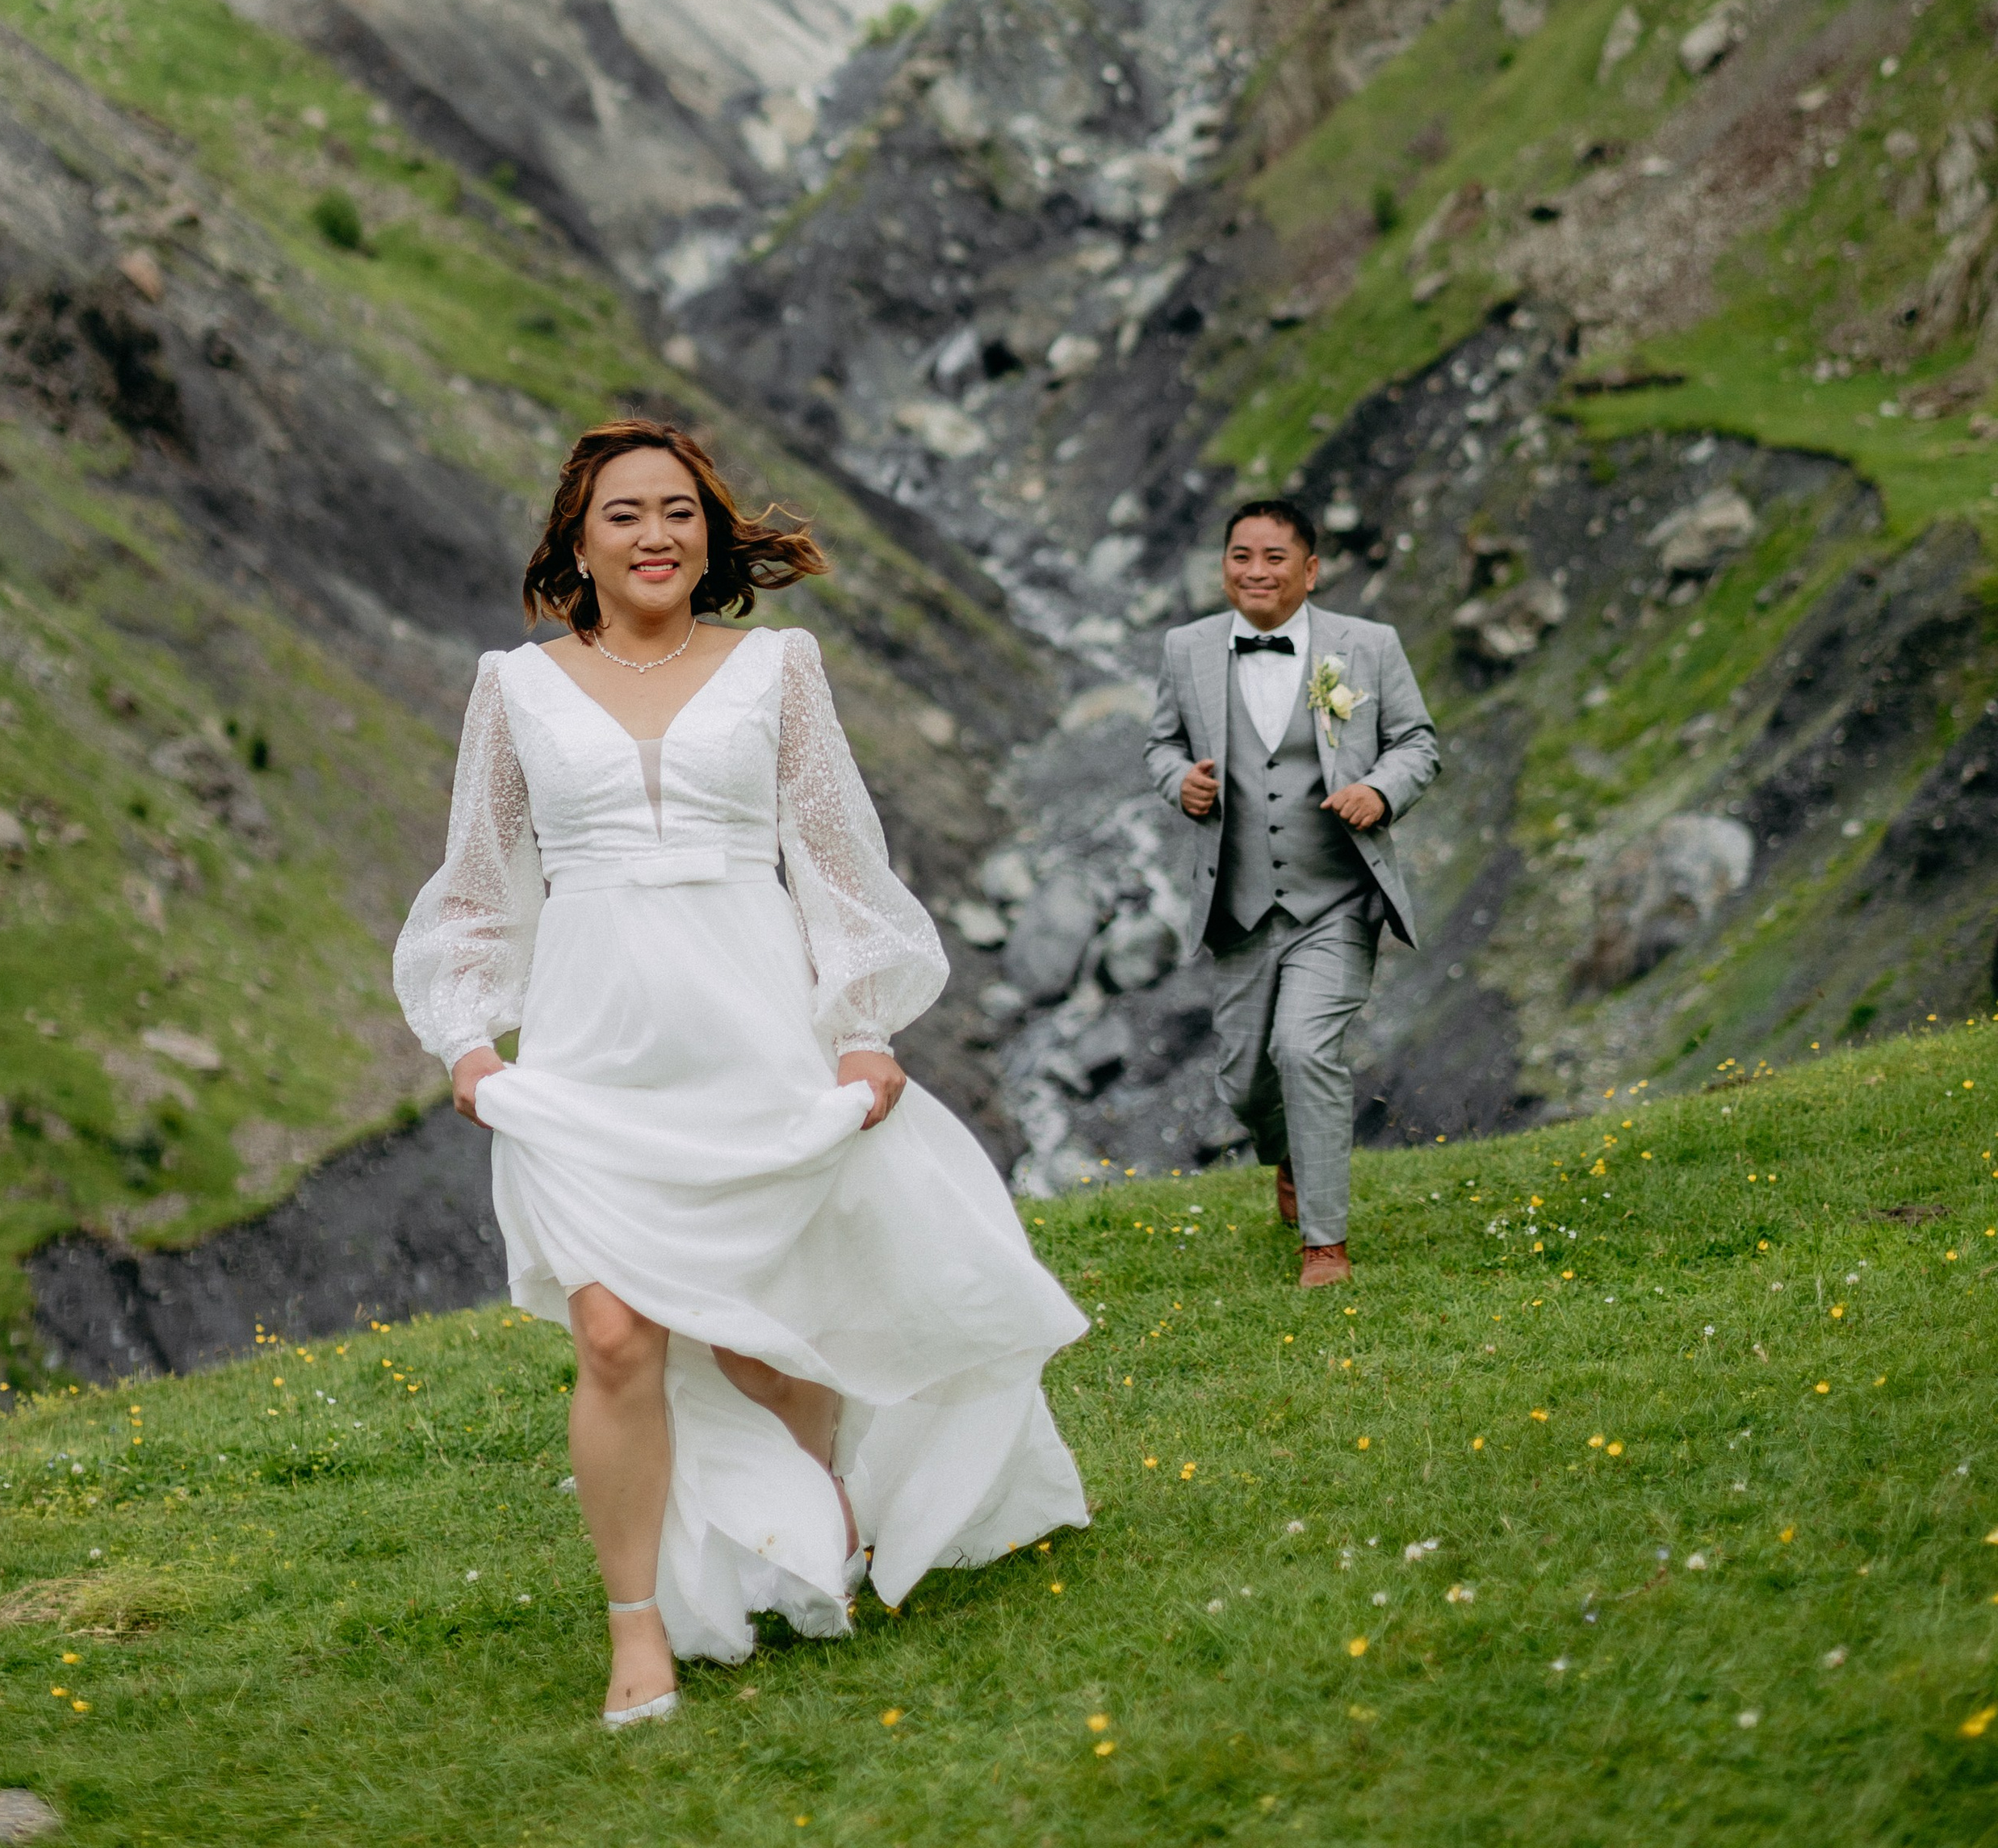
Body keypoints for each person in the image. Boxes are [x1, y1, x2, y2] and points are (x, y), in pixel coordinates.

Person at [393, 420, 1086, 1726]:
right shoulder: (515, 688)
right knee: (615, 1336)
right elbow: (475, 884)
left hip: (755, 1030)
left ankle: (817, 1502)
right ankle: (637, 1631)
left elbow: (836, 857)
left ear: (710, 536)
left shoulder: (779, 667)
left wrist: (865, 1024)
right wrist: (467, 1037)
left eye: (680, 511)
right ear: (577, 544)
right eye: (624, 514)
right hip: (596, 1052)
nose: (655, 535)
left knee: (769, 1339)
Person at [1143, 495, 1438, 1289]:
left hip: (1335, 901)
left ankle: (1324, 1246)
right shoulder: (1185, 648)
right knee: (1245, 1081)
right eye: (1241, 556)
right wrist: (1179, 781)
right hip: (1237, 908)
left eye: (1274, 558)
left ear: (1310, 571)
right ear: (1223, 567)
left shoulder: (1367, 646)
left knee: (1304, 1050)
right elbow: (1161, 744)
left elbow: (1417, 742)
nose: (1256, 571)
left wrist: (1379, 789)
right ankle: (1287, 1152)